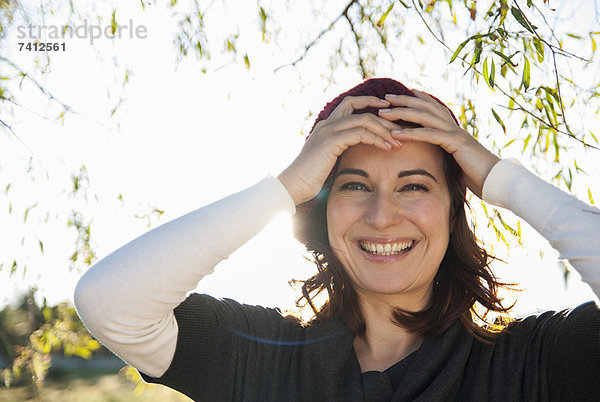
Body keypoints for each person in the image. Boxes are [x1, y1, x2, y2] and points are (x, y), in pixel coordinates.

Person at [74, 78, 600, 401]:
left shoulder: (533, 363)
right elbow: (111, 302)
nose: (381, 214)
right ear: (321, 211)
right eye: (354, 186)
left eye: (414, 185)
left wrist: (498, 177)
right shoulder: (260, 357)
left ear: (453, 212)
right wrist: (286, 187)